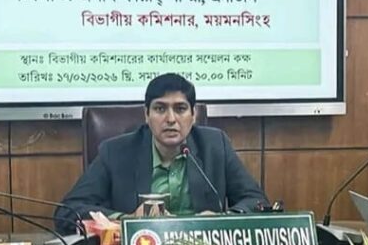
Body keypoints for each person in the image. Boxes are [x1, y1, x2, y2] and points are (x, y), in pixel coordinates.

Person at [56, 73, 268, 226]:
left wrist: (221, 219)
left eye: (180, 109)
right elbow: (67, 212)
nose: (171, 119)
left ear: (193, 115)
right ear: (146, 114)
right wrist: (127, 220)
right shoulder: (116, 152)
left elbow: (257, 203)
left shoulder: (215, 145)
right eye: (160, 108)